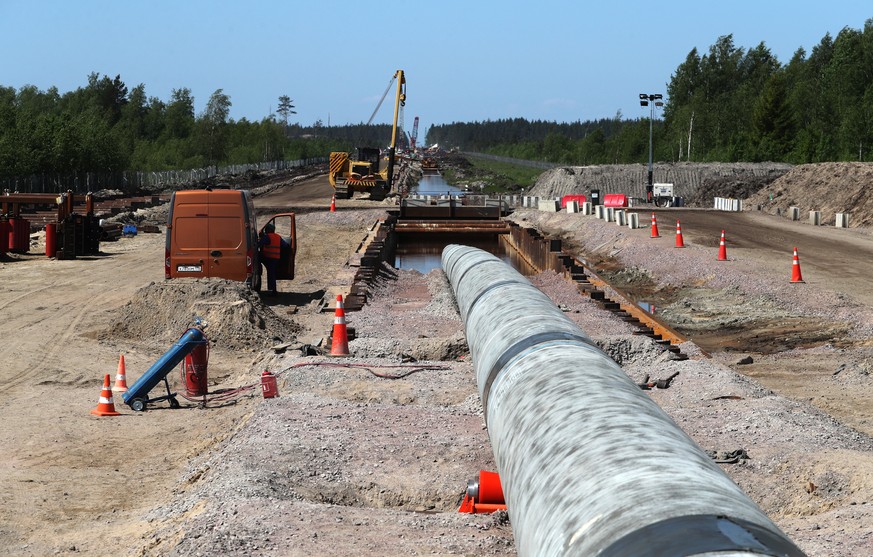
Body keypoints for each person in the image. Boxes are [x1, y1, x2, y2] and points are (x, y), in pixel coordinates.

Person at [258, 222, 286, 295]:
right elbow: (285, 245)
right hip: (276, 258)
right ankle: (273, 290)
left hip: (268, 257)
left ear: (267, 230)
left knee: (257, 258)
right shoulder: (278, 236)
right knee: (272, 273)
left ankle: (272, 291)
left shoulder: (267, 237)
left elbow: (259, 244)